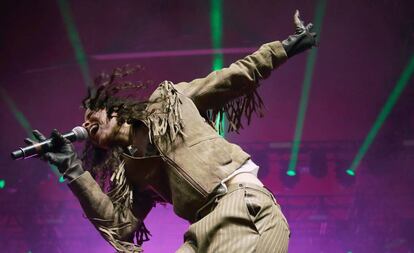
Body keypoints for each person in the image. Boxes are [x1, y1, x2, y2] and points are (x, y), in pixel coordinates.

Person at [27, 10, 316, 253]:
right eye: (84, 122)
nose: (87, 122)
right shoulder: (134, 171)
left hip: (243, 209)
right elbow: (120, 225)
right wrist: (72, 169)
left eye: (92, 112)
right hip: (202, 230)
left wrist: (284, 47)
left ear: (114, 108)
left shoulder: (167, 102)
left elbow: (232, 78)